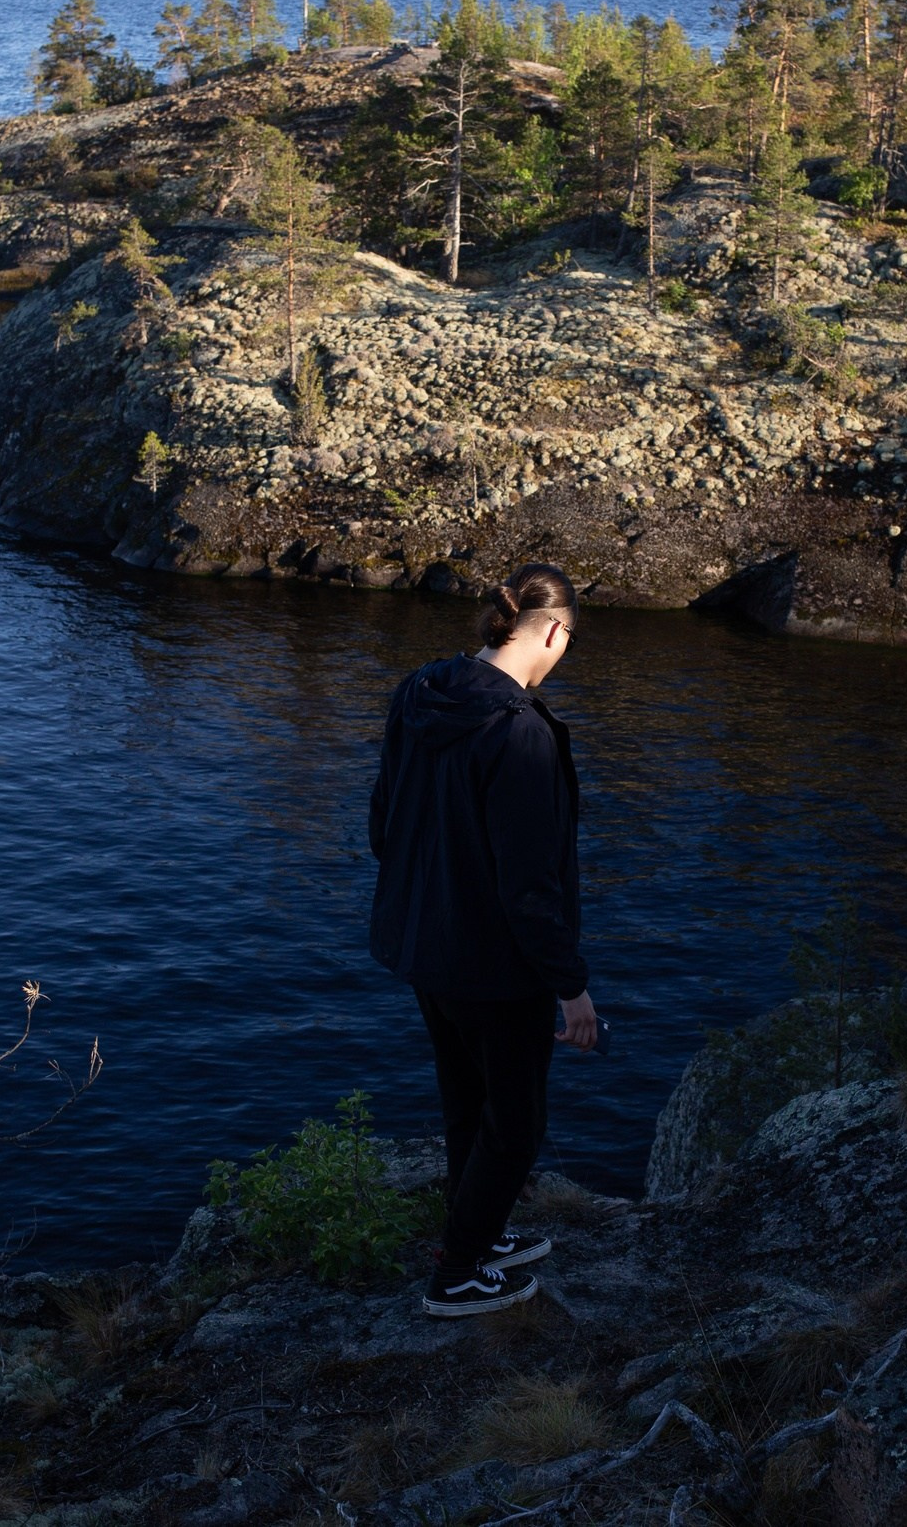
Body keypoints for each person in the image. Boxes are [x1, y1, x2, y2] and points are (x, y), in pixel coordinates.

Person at [369, 562, 600, 1318]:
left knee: (466, 1102)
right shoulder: (521, 734)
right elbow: (529, 886)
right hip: (497, 965)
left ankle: (478, 1232)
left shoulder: (420, 693)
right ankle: (459, 1271)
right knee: (517, 1120)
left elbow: (383, 823)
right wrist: (572, 986)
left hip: (423, 943)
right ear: (556, 631)